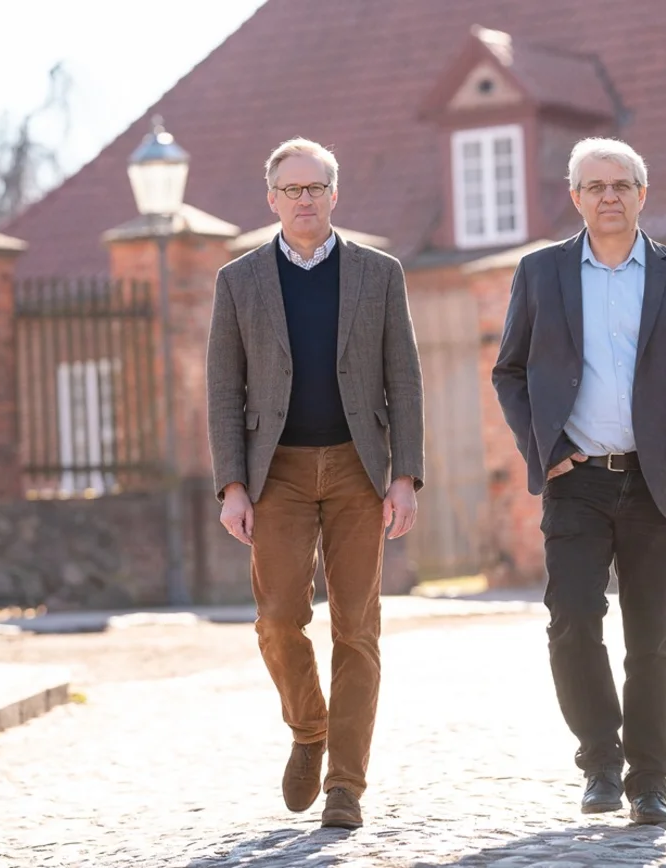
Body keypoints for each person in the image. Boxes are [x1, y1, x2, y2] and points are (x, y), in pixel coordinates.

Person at [491, 137, 666, 825]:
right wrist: (545, 449)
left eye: (621, 185)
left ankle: (651, 780)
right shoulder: (541, 274)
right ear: (574, 196)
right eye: (594, 185)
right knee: (572, 619)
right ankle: (600, 760)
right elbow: (509, 370)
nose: (609, 196)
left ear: (642, 194)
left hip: (659, 480)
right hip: (576, 480)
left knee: (654, 636)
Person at [206, 137, 424, 829]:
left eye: (316, 187)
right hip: (278, 475)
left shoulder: (378, 273)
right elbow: (222, 391)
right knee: (277, 620)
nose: (305, 199)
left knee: (357, 630)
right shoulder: (238, 281)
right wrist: (231, 485)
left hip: (360, 469)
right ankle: (309, 727)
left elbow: (405, 379)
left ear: (336, 193)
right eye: (292, 189)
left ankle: (346, 788)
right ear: (271, 199)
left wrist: (407, 475)